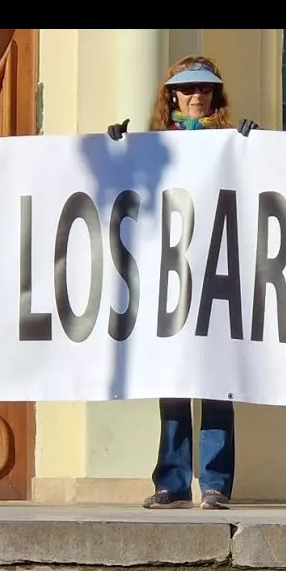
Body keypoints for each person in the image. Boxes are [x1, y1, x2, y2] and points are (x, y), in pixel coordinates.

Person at [104, 56, 257, 510]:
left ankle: (215, 483)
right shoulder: (152, 143)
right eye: (187, 89)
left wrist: (255, 147)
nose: (196, 96)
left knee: (216, 383)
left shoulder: (232, 143)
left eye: (204, 90)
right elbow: (121, 187)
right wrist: (116, 149)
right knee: (171, 381)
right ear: (171, 95)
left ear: (216, 95)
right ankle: (171, 482)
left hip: (217, 273)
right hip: (166, 277)